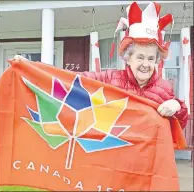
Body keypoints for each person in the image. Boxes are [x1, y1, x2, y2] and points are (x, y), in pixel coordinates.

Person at [13, 2, 188, 129]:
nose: (145, 64)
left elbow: (178, 127)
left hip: (146, 165)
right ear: (128, 58)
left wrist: (177, 107)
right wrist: (32, 67)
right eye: (140, 57)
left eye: (151, 59)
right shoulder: (109, 79)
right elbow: (72, 80)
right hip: (113, 162)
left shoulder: (164, 89)